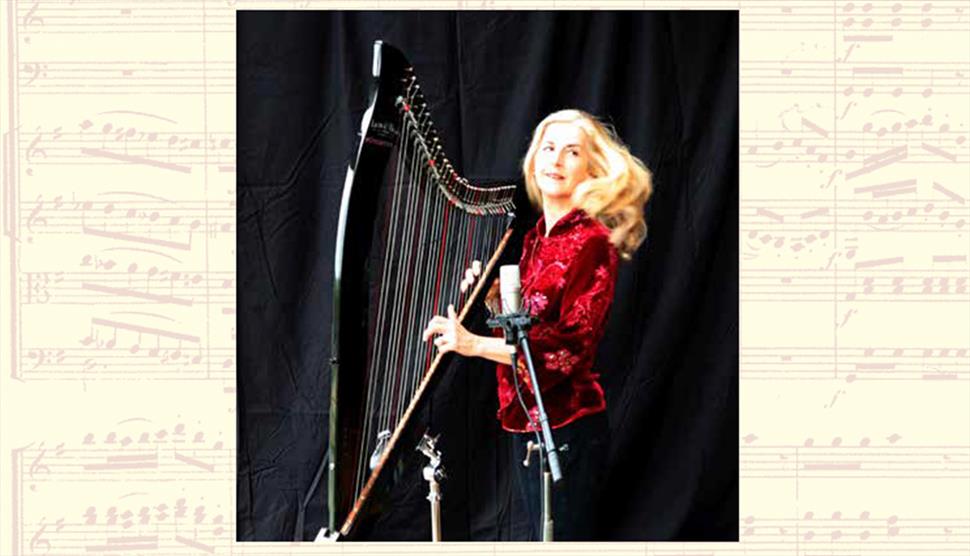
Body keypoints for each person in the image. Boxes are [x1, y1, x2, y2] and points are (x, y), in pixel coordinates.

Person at [421, 109, 652, 540]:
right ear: (533, 159)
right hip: (524, 422)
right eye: (548, 148)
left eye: (572, 152)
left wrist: (471, 345)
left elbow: (569, 350)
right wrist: (492, 299)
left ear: (592, 168)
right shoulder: (534, 240)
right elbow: (525, 330)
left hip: (566, 426)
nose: (556, 160)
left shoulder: (592, 242)